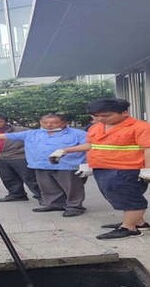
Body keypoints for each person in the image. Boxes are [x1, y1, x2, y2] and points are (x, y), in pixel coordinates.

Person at [50, 98, 150, 239]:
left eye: (106, 116)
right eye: (96, 116)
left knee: (129, 197)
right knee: (114, 196)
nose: (100, 119)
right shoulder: (96, 127)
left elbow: (148, 148)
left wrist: (147, 169)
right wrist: (65, 150)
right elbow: (92, 146)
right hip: (102, 168)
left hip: (127, 169)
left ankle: (129, 228)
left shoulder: (140, 127)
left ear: (124, 113)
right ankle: (138, 222)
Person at [0, 114, 87, 217]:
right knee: (48, 187)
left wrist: (87, 164)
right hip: (40, 165)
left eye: (53, 122)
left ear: (64, 123)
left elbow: (90, 147)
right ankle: (55, 204)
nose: (49, 125)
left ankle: (74, 207)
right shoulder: (32, 133)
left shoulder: (78, 133)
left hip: (67, 165)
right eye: (45, 122)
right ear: (40, 122)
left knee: (72, 188)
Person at [0, 113, 41, 202]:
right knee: (8, 178)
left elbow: (37, 139)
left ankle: (43, 196)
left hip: (19, 157)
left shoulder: (20, 130)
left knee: (30, 178)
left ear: (5, 121)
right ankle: (17, 195)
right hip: (0, 159)